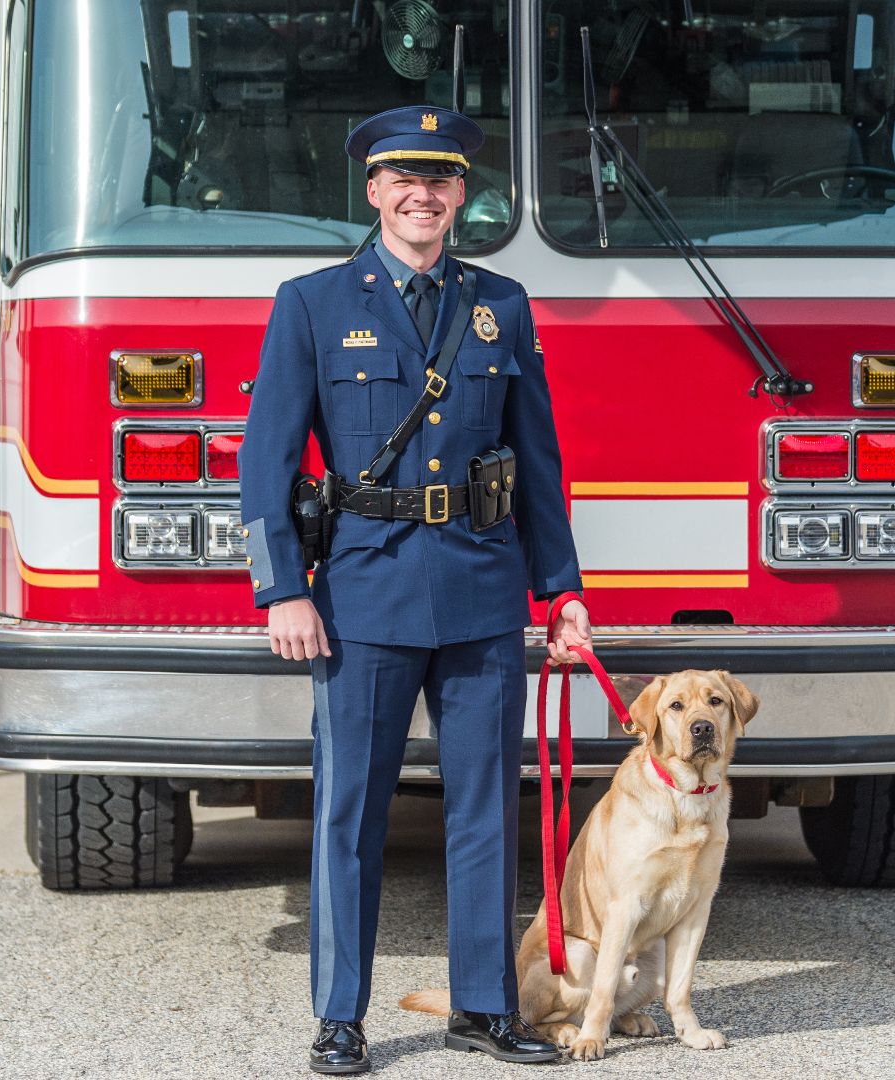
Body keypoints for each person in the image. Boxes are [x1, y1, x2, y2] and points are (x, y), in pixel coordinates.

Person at [237, 105, 592, 1074]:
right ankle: (341, 1016)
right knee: (350, 813)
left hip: (480, 590)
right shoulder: (312, 303)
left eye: (438, 181)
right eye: (403, 180)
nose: (420, 196)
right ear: (373, 191)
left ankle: (482, 1005)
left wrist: (560, 592)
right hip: (362, 593)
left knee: (486, 810)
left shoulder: (502, 305)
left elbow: (538, 460)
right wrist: (283, 592)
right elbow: (264, 462)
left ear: (462, 195)